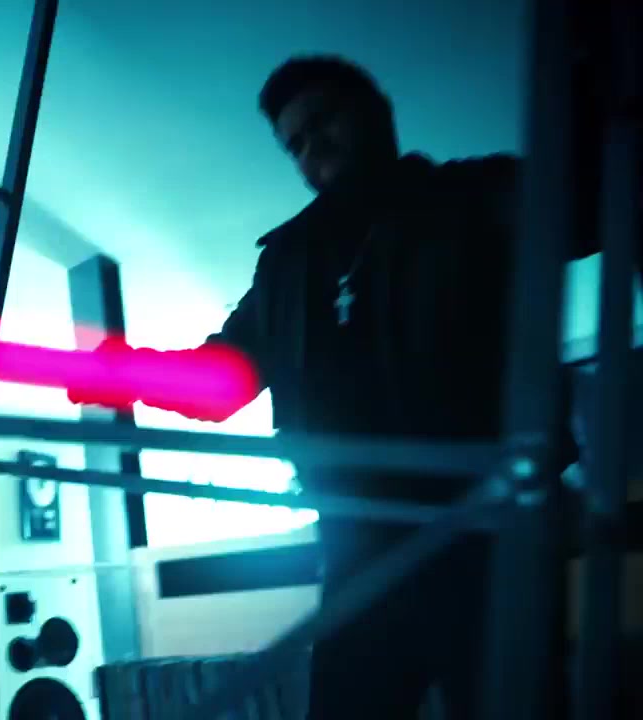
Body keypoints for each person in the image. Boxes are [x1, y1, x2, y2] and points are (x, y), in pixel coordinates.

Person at [70, 55, 598, 719]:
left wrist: (593, 81)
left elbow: (590, 205)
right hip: (357, 545)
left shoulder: (472, 198)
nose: (312, 146)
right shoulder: (288, 263)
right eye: (295, 142)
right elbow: (221, 380)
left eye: (324, 121)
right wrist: (119, 373)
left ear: (376, 113)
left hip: (487, 530)